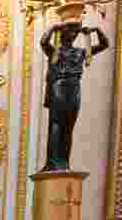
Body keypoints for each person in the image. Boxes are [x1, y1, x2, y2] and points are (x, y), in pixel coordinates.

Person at [40, 22, 109, 172]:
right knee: (56, 126)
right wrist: (53, 28)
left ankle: (64, 163)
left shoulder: (80, 52)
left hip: (74, 89)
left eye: (75, 32)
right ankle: (52, 163)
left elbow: (104, 44)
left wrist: (96, 29)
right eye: (69, 31)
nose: (73, 34)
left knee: (68, 127)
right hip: (59, 88)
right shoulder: (55, 51)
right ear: (63, 33)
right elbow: (44, 42)